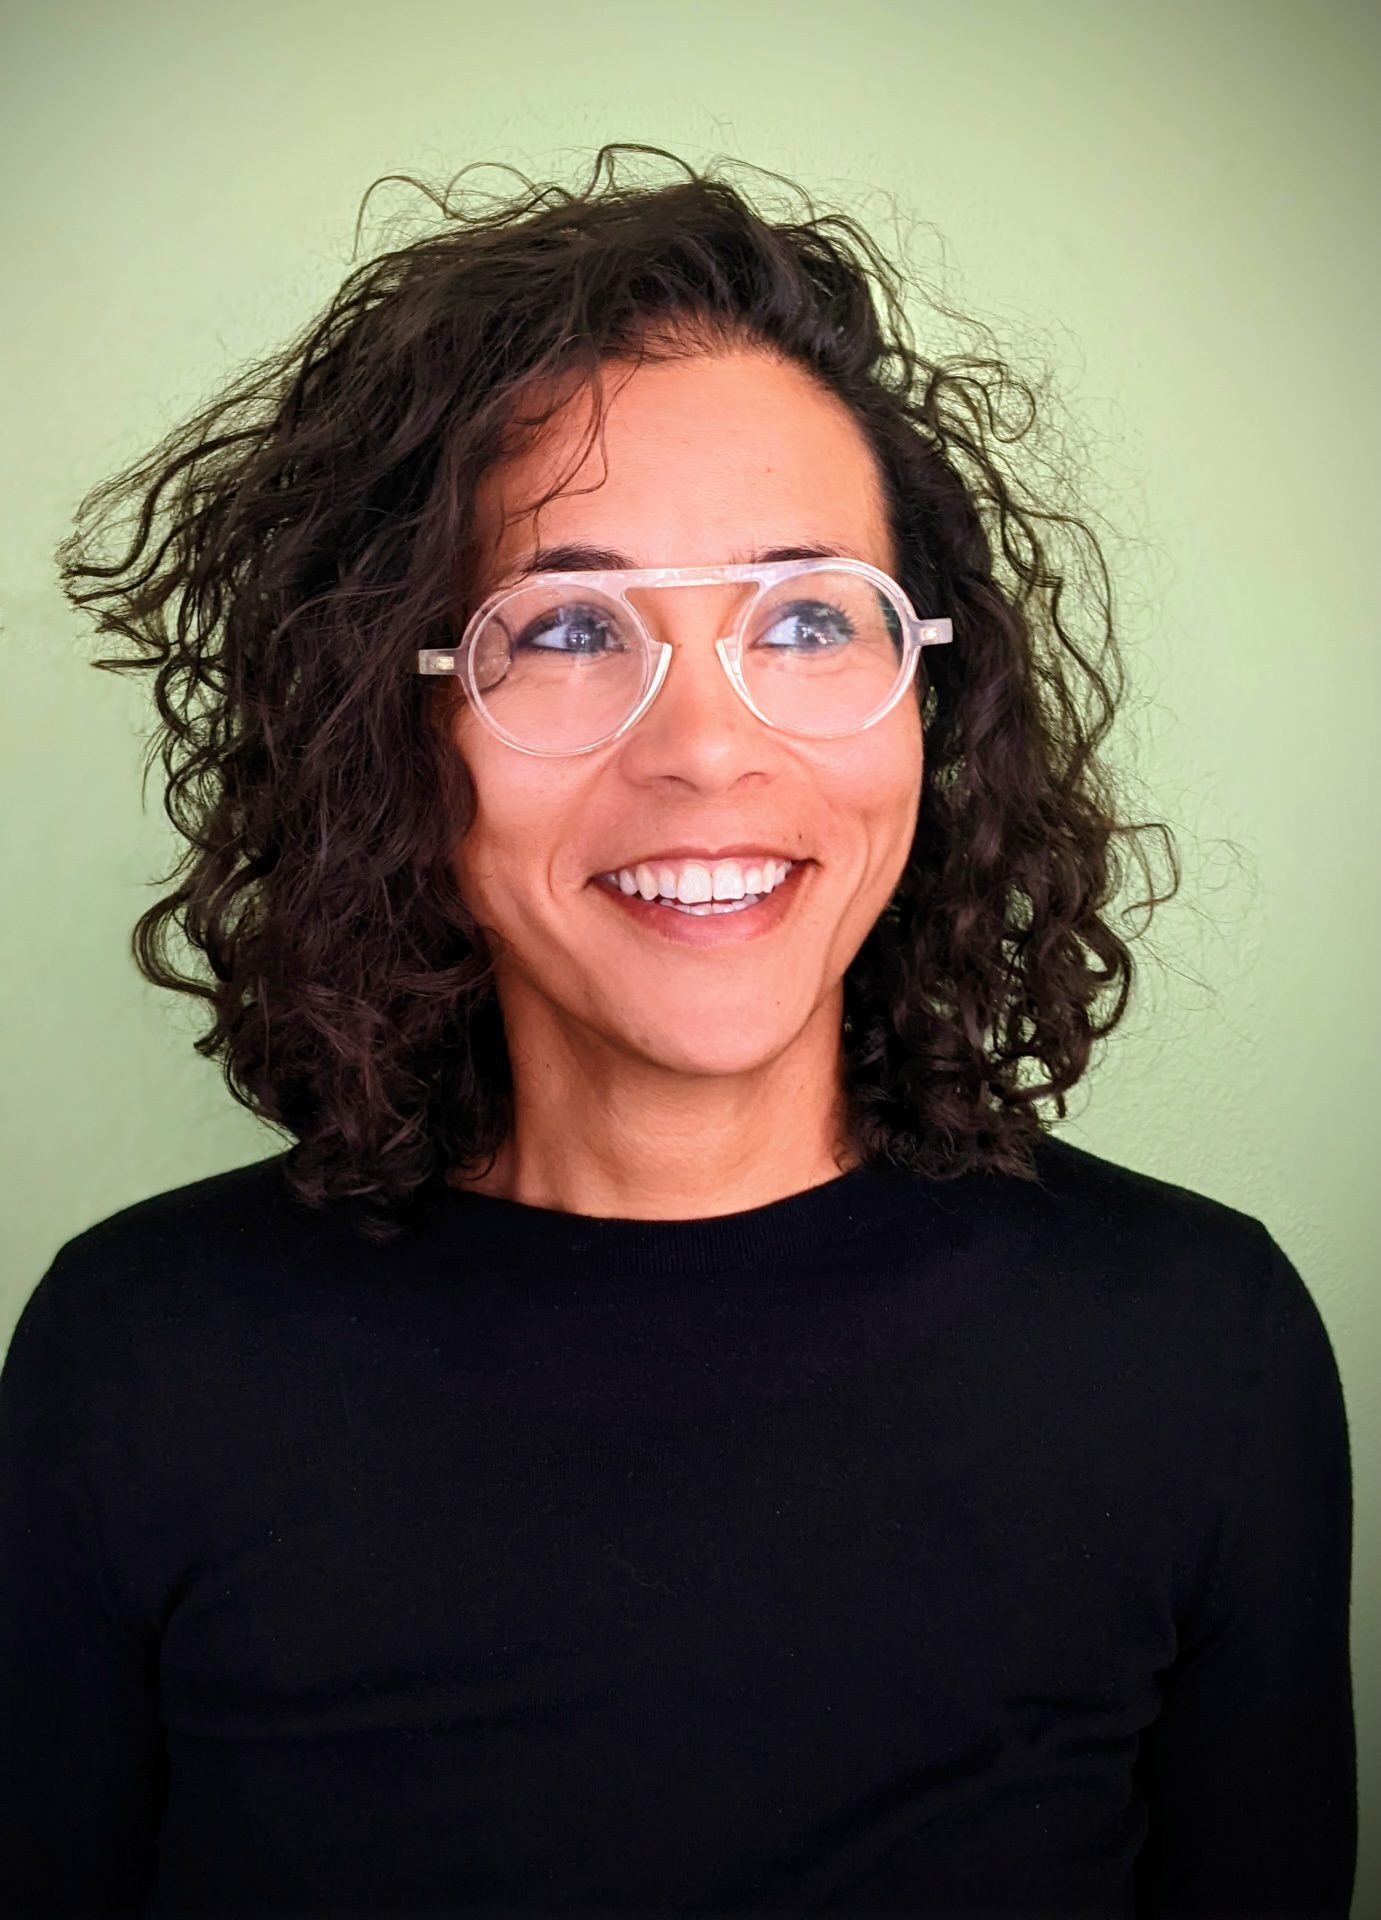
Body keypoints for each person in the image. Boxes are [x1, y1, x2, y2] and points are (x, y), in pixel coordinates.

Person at [0, 145, 1355, 1917]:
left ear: (927, 713)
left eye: (805, 619)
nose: (705, 749)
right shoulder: (135, 1360)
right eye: (567, 626)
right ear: (390, 728)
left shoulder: (1198, 1349)